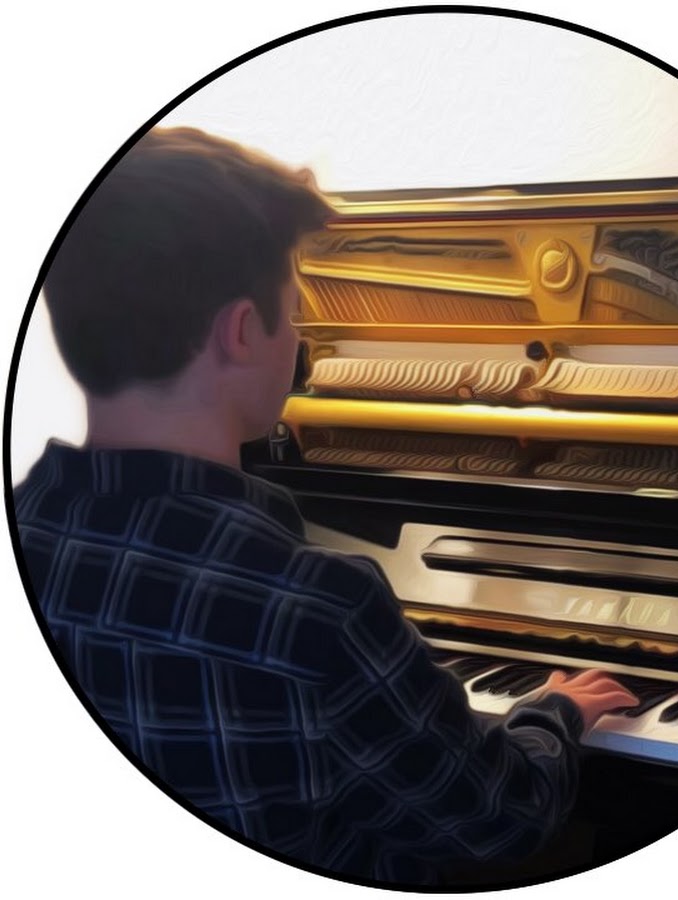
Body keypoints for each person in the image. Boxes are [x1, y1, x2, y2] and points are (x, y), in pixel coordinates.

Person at [12, 127, 637, 886]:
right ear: (243, 333)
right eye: (295, 310)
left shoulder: (29, 533)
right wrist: (554, 712)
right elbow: (500, 818)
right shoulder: (313, 607)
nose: (303, 338)